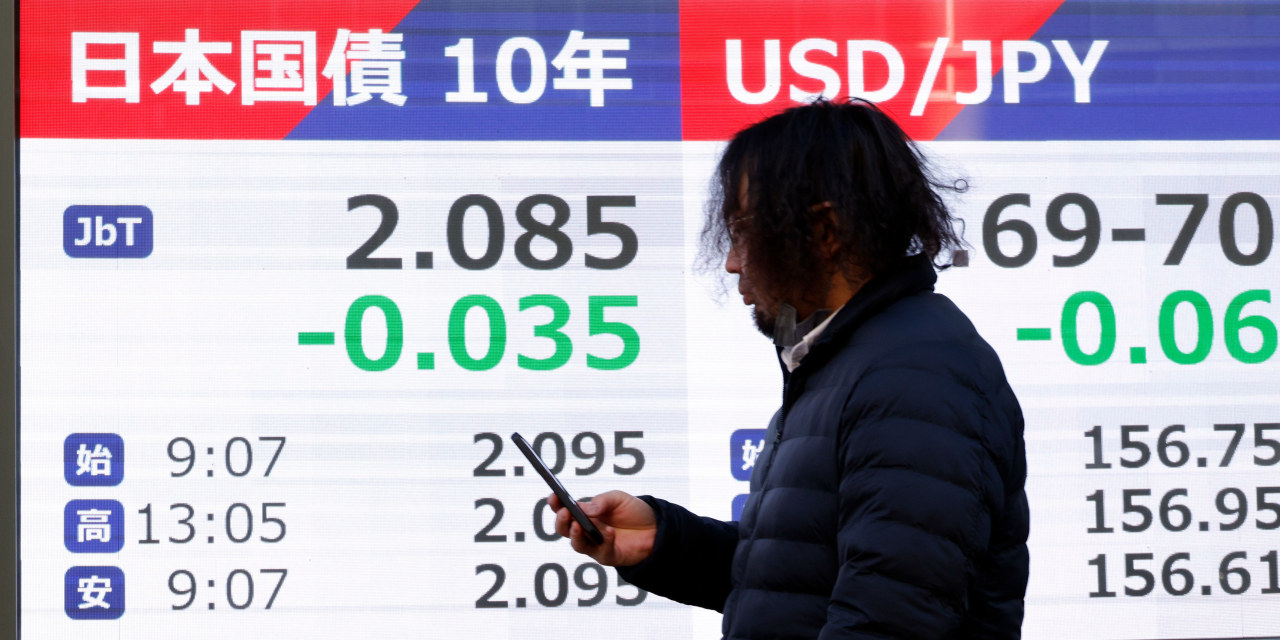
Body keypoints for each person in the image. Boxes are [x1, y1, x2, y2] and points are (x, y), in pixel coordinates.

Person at [550, 99, 1029, 639]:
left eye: (742, 231)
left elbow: (889, 619)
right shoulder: (853, 362)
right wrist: (665, 541)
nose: (732, 262)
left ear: (825, 230)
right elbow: (797, 582)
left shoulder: (916, 377)